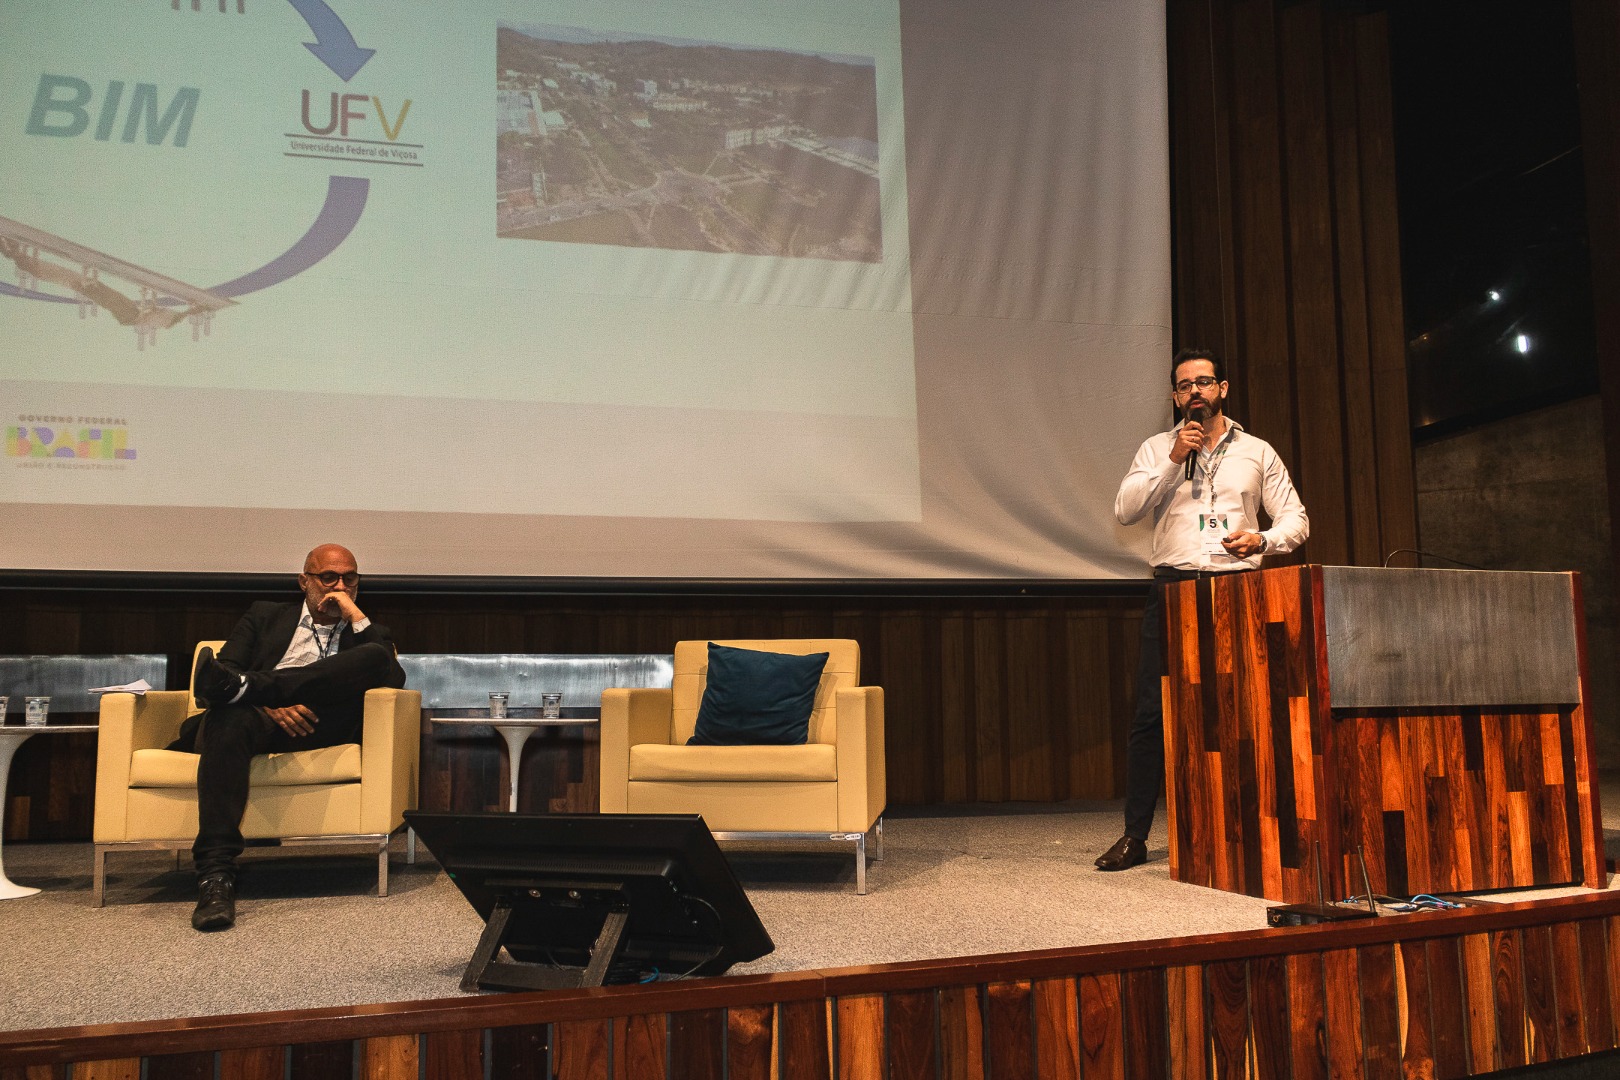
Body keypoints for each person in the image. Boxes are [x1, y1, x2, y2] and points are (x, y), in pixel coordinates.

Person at [1095, 348, 1309, 871]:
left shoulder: (1257, 451)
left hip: (1237, 589)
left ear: (1223, 389)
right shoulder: (1156, 449)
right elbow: (1125, 511)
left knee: (1242, 710)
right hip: (1173, 589)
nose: (1195, 391)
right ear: (1175, 396)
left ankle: (1247, 828)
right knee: (1152, 714)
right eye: (1185, 385)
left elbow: (1296, 520)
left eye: (1204, 382)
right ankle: (1135, 836)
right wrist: (1173, 460)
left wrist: (1261, 540)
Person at [180, 543, 406, 930]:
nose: (340, 587)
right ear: (304, 581)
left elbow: (393, 678)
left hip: (315, 727)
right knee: (229, 715)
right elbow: (218, 679)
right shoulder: (264, 616)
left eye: (349, 579)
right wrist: (268, 704)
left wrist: (353, 613)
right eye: (328, 578)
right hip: (252, 719)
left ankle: (252, 687)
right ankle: (215, 876)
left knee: (377, 655)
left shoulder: (367, 633)